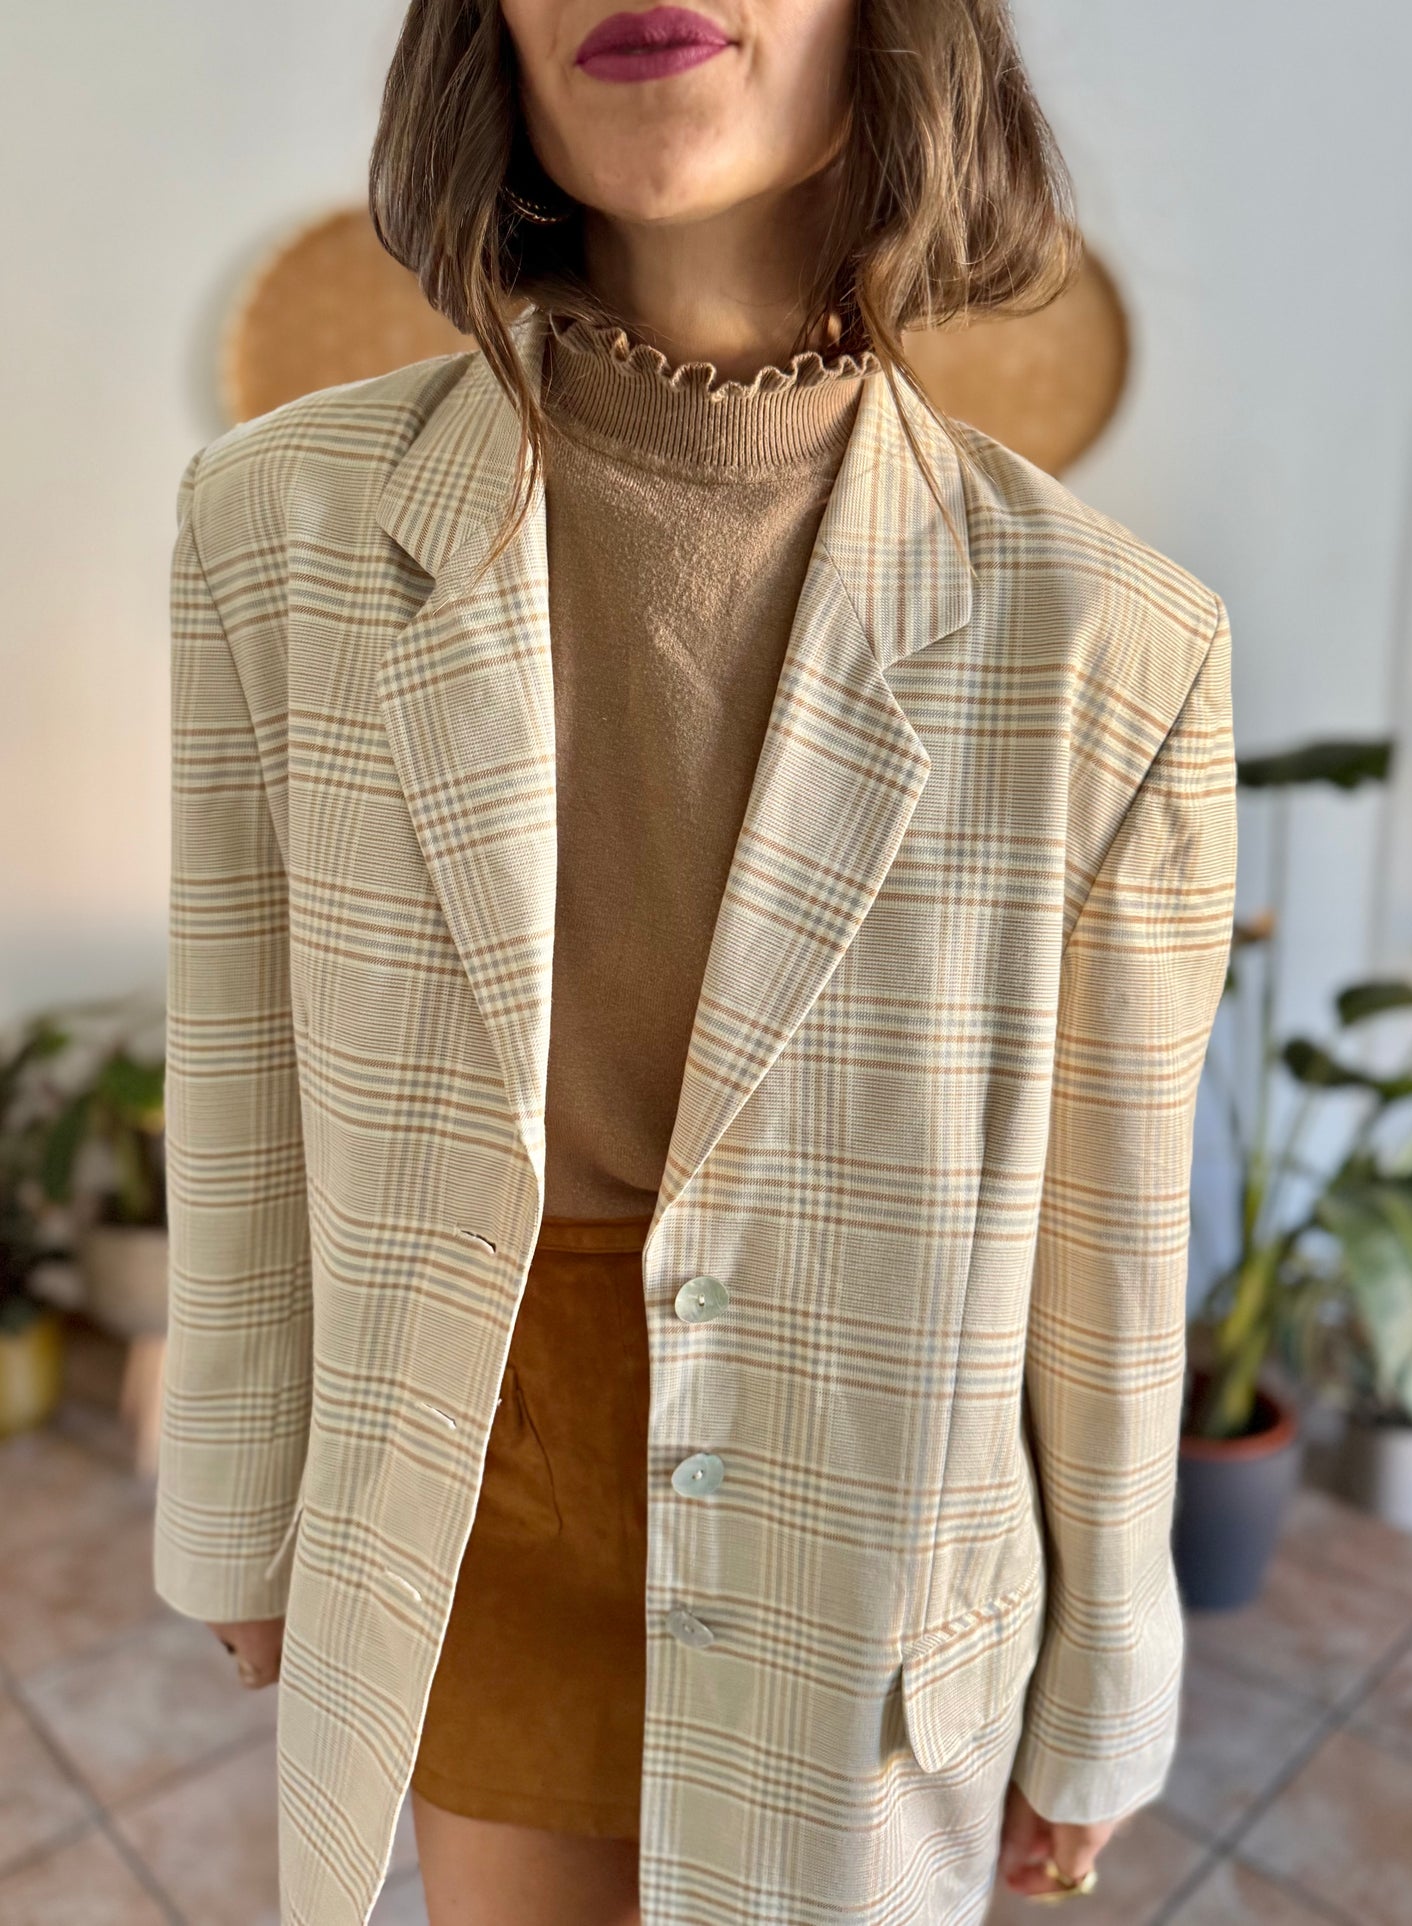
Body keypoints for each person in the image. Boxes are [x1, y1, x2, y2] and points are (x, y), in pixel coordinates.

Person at [153, 3, 1238, 1924]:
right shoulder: (278, 529)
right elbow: (242, 1060)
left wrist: (1101, 1692)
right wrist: (238, 1503)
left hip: (868, 1526)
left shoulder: (1109, 648)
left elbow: (1112, 1254)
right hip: (474, 1489)